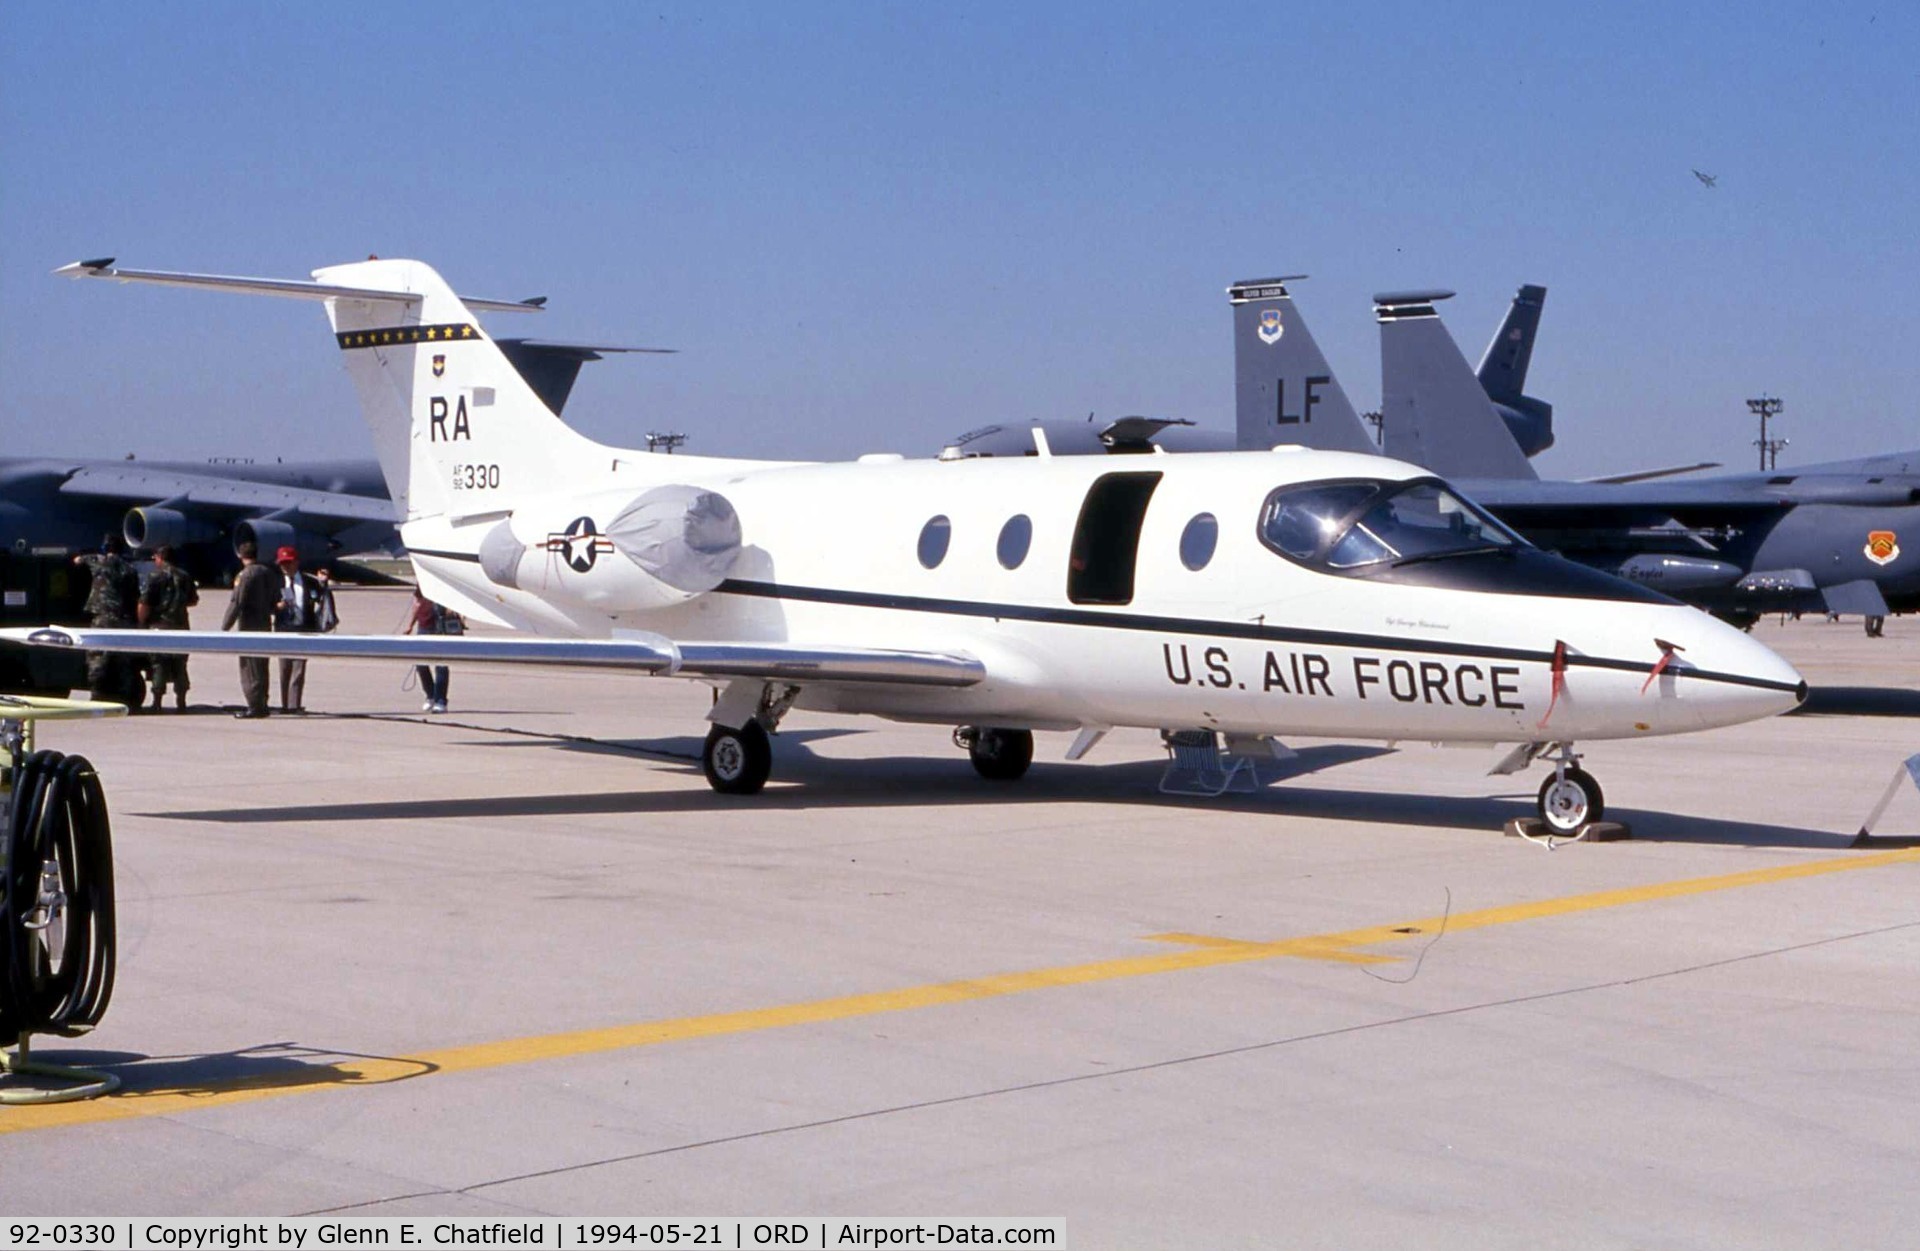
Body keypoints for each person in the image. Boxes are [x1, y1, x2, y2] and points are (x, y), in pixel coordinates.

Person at [72, 534, 141, 705]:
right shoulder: (129, 569)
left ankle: (97, 695)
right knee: (123, 660)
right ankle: (125, 697)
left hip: (102, 618)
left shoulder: (97, 560)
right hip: (123, 619)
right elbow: (135, 595)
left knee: (97, 657)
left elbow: (76, 561)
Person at [137, 544, 199, 710]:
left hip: (159, 626)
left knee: (159, 665)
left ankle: (157, 702)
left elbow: (144, 603)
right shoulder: (185, 576)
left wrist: (141, 623)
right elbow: (193, 600)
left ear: (160, 558)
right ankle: (181, 702)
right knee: (180, 665)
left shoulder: (154, 577)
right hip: (181, 627)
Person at [221, 541, 279, 718]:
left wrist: (225, 627)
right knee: (262, 665)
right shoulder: (267, 573)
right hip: (264, 623)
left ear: (240, 555)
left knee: (249, 667)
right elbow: (275, 598)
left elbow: (237, 602)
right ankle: (262, 701)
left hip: (249, 625)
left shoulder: (244, 576)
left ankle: (255, 705)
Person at [272, 546, 331, 712]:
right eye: (282, 564)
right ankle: (285, 704)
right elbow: (269, 604)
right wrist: (277, 606)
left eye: (289, 563)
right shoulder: (276, 582)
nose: (286, 567)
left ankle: (294, 705)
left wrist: (324, 583)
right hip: (283, 631)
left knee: (298, 670)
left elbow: (323, 599)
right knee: (284, 669)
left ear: (296, 563)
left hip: (303, 629)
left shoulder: (308, 582)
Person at [404, 587, 456, 713]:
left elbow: (456, 599)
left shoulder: (443, 580)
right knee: (421, 664)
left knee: (441, 664)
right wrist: (410, 625)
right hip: (424, 625)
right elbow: (417, 603)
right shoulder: (422, 580)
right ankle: (430, 695)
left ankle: (441, 700)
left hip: (441, 625)